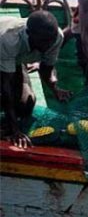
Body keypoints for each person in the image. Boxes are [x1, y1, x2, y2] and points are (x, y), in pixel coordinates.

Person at [0, 11, 72, 148]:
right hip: (2, 52)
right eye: (44, 41)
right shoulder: (9, 39)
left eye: (51, 40)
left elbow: (46, 68)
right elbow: (6, 86)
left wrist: (55, 89)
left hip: (13, 61)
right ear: (29, 33)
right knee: (7, 96)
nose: (48, 45)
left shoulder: (56, 37)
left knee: (26, 103)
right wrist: (16, 130)